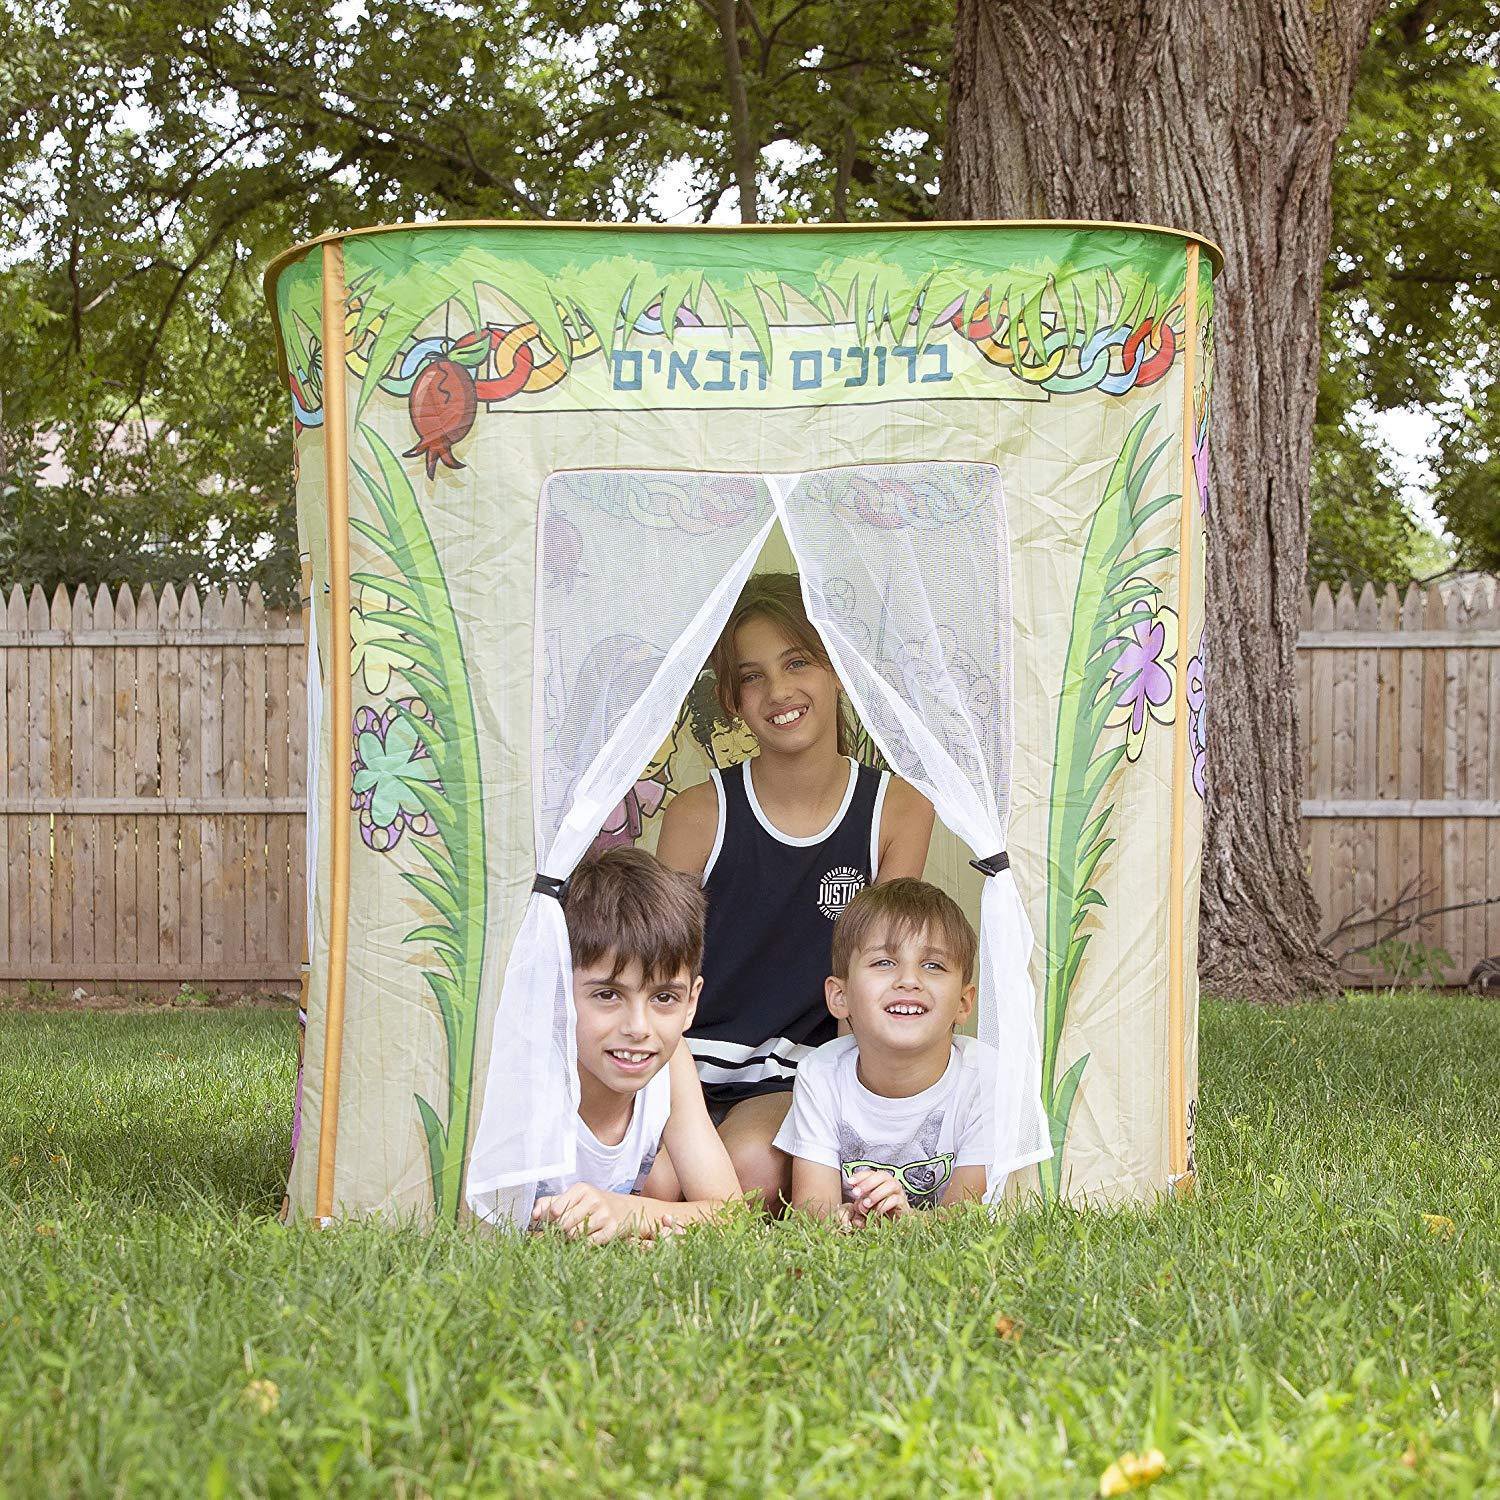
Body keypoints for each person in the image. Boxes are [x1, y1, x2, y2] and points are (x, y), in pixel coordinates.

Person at [656, 573, 934, 1209]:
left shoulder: (898, 810)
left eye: (798, 662)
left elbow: (880, 974)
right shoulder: (698, 813)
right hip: (683, 1064)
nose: (779, 691)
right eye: (752, 676)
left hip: (803, 1073)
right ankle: (648, 1213)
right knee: (661, 1179)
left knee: (750, 1164)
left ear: (836, 670)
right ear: (731, 699)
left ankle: (657, 1222)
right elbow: (656, 967)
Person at [530, 847, 741, 1243]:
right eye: (608, 995)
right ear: (558, 989)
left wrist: (626, 1212)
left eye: (664, 998)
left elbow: (728, 1214)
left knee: (663, 1179)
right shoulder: (528, 1068)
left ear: (692, 1001)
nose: (638, 1028)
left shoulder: (673, 1060)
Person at [775, 879, 995, 1226]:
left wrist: (904, 1221)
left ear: (964, 1003)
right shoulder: (820, 1074)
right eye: (883, 962)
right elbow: (812, 1213)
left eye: (933, 965)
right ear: (839, 996)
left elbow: (967, 1218)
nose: (909, 980)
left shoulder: (986, 1078)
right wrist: (843, 1218)